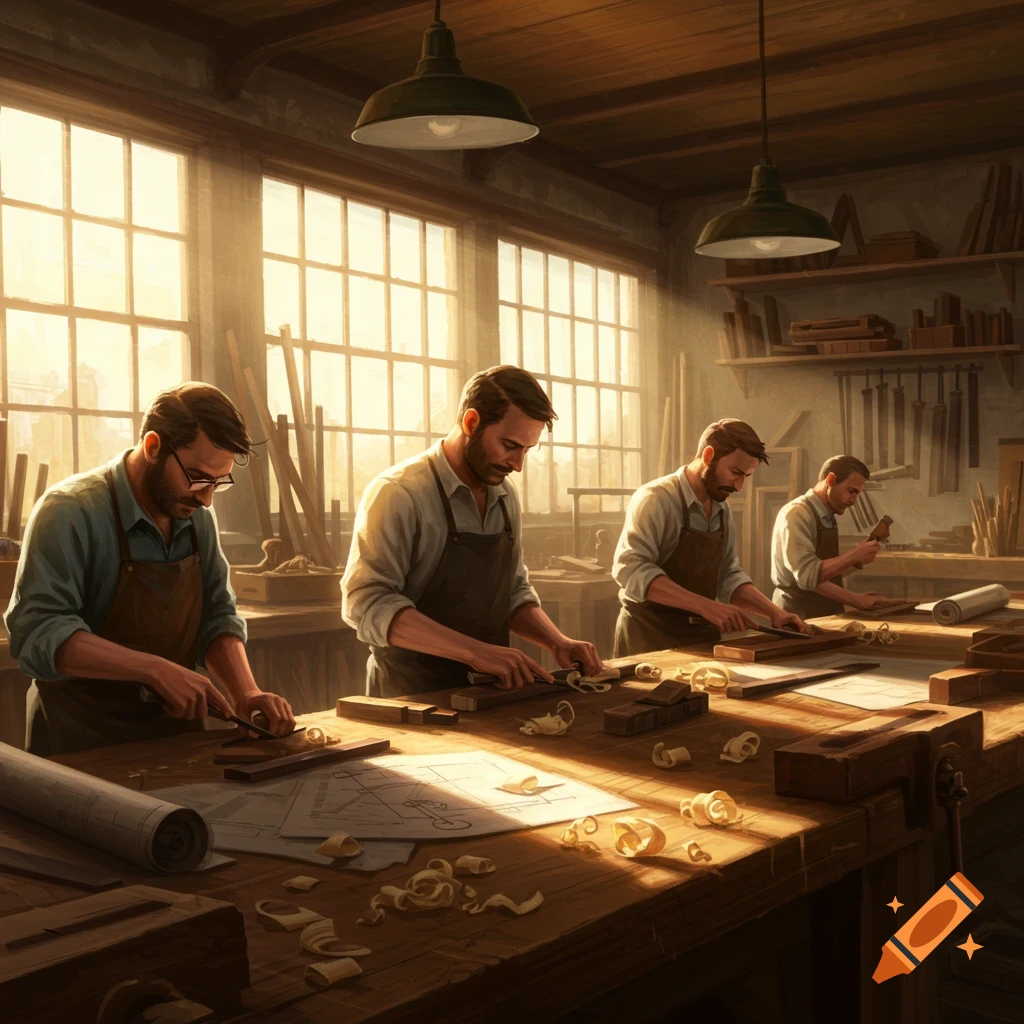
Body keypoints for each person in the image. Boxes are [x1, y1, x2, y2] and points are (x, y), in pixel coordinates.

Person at [6, 383, 296, 755]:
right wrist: (155, 670)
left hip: (177, 738)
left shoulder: (194, 517)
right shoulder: (68, 511)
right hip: (80, 739)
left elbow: (216, 615)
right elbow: (38, 632)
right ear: (153, 447)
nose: (206, 498)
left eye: (217, 482)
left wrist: (246, 692)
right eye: (197, 477)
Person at [342, 365, 602, 697]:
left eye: (526, 450)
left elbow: (512, 592)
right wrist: (477, 653)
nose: (518, 464)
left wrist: (557, 641)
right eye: (509, 446)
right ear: (471, 422)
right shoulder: (398, 493)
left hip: (488, 694)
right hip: (410, 695)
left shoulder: (505, 495)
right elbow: (367, 604)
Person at [612, 418, 809, 656]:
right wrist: (706, 606)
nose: (739, 487)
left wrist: (774, 612)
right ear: (708, 456)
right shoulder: (655, 499)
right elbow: (631, 569)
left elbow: (727, 574)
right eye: (735, 473)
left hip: (699, 637)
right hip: (647, 637)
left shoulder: (720, 508)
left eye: (745, 476)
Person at [771, 454, 897, 619]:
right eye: (851, 491)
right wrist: (854, 558)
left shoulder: (827, 516)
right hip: (797, 614)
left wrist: (856, 561)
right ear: (830, 480)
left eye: (857, 494)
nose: (853, 501)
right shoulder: (796, 514)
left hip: (826, 611)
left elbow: (824, 572)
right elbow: (807, 577)